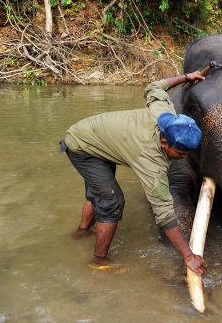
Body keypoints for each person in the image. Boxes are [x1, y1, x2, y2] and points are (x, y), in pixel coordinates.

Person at [60, 71, 205, 275]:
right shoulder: (150, 160)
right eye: (180, 153)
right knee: (112, 202)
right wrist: (188, 256)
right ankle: (99, 261)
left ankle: (82, 232)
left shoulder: (165, 111)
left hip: (97, 137)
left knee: (102, 191)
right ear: (164, 142)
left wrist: (187, 77)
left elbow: (154, 87)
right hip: (82, 146)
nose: (183, 158)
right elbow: (164, 213)